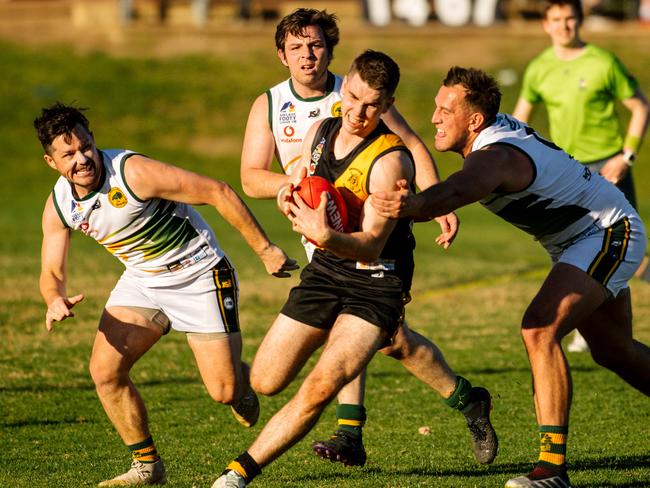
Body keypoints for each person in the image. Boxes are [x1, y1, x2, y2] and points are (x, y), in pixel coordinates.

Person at [213, 50, 492, 488]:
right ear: (344, 89)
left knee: (323, 383)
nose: (359, 113)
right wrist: (293, 198)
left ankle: (238, 473)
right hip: (326, 272)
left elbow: (371, 244)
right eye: (355, 99)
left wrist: (325, 235)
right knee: (265, 381)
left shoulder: (389, 163)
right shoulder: (319, 133)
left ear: (387, 106)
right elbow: (304, 184)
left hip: (376, 281)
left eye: (372, 106)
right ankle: (469, 399)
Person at [371, 66, 650, 488]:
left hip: (608, 231)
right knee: (614, 351)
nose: (435, 118)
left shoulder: (496, 154)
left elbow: (459, 189)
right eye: (435, 107)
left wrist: (412, 206)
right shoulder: (490, 139)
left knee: (539, 330)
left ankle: (552, 470)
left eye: (446, 110)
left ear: (475, 121)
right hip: (583, 237)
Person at [35, 103, 298, 487]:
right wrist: (53, 299)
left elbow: (216, 191)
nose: (82, 159)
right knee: (104, 372)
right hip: (143, 282)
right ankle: (147, 467)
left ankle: (237, 379)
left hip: (200, 274)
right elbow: (51, 271)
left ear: (94, 141)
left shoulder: (131, 172)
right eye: (69, 154)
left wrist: (265, 249)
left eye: (86, 147)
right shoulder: (60, 204)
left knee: (223, 391)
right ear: (50, 161)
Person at [512, 0, 650, 352]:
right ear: (546, 24)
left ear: (580, 20)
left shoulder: (603, 62)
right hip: (567, 173)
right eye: (556, 19)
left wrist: (626, 156)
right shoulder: (539, 68)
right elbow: (519, 122)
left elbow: (639, 107)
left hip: (609, 167)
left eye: (570, 18)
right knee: (572, 249)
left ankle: (608, 333)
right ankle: (586, 329)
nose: (564, 25)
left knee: (623, 253)